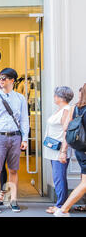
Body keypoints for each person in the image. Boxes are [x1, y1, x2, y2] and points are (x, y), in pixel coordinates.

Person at [0, 68, 29, 213]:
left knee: (13, 170)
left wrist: (25, 138)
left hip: (15, 136)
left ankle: (13, 200)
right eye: (0, 78)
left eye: (4, 78)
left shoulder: (20, 98)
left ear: (12, 80)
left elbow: (24, 120)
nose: (1, 81)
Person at [54, 83, 86, 217]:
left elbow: (67, 129)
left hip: (80, 149)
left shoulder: (75, 108)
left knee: (84, 178)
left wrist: (63, 150)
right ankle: (63, 209)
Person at [43, 86, 74, 214]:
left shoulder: (66, 110)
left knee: (59, 177)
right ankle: (60, 203)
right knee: (58, 177)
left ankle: (61, 205)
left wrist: (63, 151)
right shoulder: (60, 110)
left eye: (55, 95)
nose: (54, 97)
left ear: (60, 97)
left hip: (59, 150)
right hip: (53, 149)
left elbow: (66, 132)